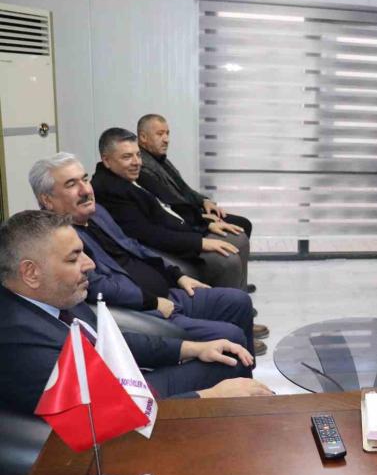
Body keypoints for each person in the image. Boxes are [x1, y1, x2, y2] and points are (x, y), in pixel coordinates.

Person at [0, 210, 273, 415]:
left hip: (129, 387)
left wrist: (194, 348)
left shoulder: (58, 294)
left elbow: (112, 342)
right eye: (73, 258)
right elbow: (107, 420)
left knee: (229, 358)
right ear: (31, 273)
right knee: (229, 386)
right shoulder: (19, 341)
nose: (90, 264)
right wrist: (207, 397)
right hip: (122, 416)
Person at [30, 152, 268, 357]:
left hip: (168, 292)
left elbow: (134, 246)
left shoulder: (97, 213)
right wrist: (153, 302)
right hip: (144, 311)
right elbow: (97, 286)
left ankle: (247, 388)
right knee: (231, 335)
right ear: (47, 200)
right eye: (71, 185)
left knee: (239, 301)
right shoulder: (57, 240)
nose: (85, 190)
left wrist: (177, 276)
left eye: (84, 179)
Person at [91, 127, 250, 291]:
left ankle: (241, 296)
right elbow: (148, 234)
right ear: (106, 160)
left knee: (239, 239)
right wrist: (199, 242)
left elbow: (174, 204)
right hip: (160, 246)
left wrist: (206, 224)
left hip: (180, 231)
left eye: (138, 155)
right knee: (227, 261)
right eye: (127, 157)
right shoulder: (109, 190)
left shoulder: (136, 175)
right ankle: (226, 303)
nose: (137, 162)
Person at [136, 114, 256, 293]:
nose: (166, 139)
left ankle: (238, 285)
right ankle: (231, 286)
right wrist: (202, 218)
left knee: (243, 225)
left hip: (190, 211)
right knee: (240, 227)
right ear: (143, 137)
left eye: (167, 133)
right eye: (160, 134)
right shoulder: (143, 167)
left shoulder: (161, 159)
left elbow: (184, 189)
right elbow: (171, 203)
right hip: (184, 218)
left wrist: (204, 201)